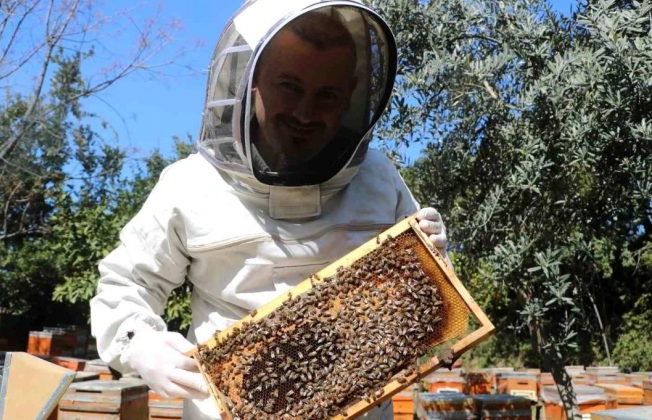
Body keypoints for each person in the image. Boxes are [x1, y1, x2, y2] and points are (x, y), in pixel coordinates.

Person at [90, 1, 449, 419]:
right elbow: (125, 285)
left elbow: (424, 294)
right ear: (252, 80)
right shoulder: (189, 184)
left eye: (327, 95)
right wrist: (140, 344)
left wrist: (435, 258)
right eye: (290, 87)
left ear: (351, 95)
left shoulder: (379, 177)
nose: (304, 112)